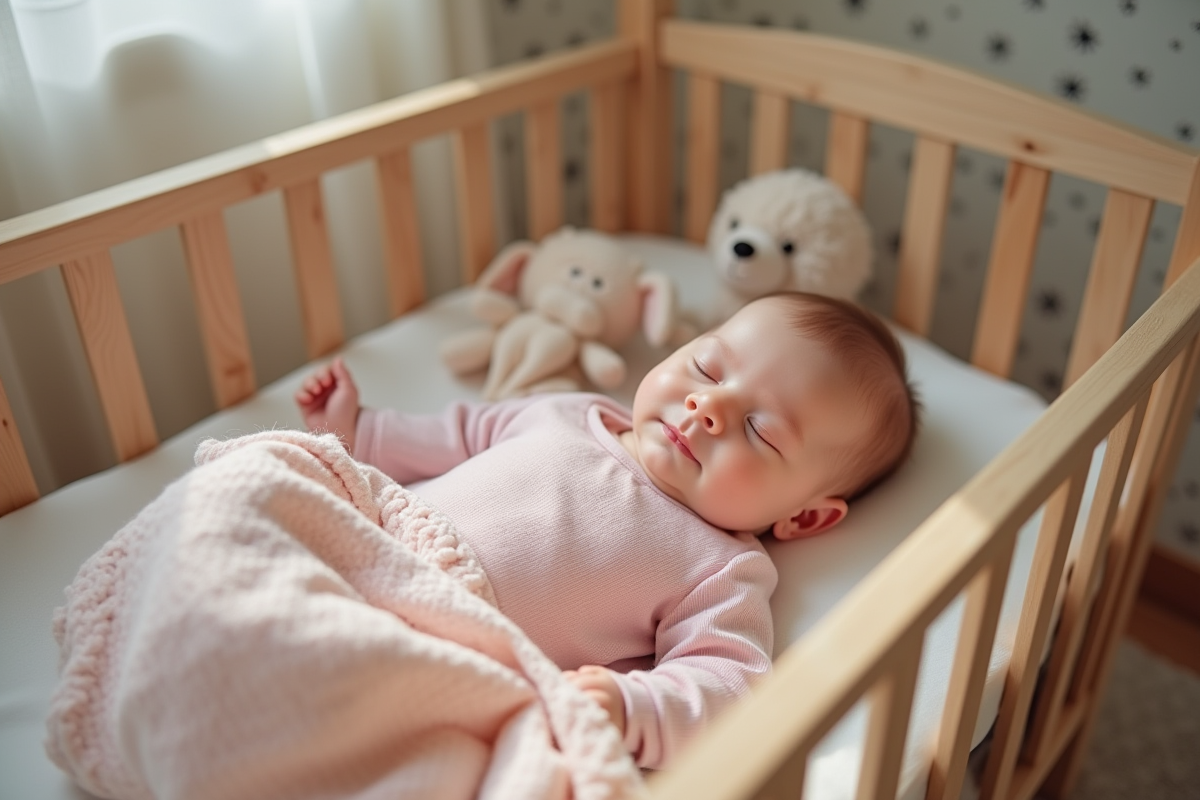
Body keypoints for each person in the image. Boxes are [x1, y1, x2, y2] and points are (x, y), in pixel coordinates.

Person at [294, 291, 919, 769]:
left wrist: (633, 709)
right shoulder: (569, 411)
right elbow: (458, 436)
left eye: (761, 430)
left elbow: (728, 682)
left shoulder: (720, 566)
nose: (710, 407)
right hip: (354, 545)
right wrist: (357, 428)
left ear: (805, 516)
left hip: (439, 650)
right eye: (706, 368)